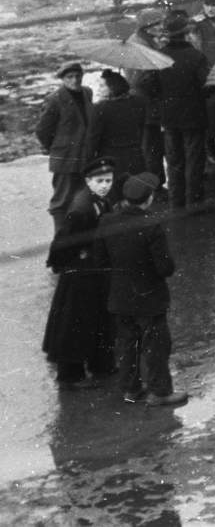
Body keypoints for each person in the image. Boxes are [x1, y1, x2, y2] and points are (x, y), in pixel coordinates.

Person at [99, 173, 187, 406]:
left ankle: (130, 390)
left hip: (120, 297)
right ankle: (160, 392)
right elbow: (165, 268)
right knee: (157, 345)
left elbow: (101, 260)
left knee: (128, 344)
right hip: (149, 298)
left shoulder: (107, 221)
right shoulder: (152, 225)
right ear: (148, 199)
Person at [43, 158, 118, 390]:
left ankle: (100, 364)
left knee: (96, 319)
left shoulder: (98, 200)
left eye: (108, 180)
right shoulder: (80, 208)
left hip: (93, 270)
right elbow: (63, 245)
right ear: (88, 181)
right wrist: (75, 261)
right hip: (80, 275)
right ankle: (71, 376)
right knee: (75, 324)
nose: (105, 185)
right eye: (100, 181)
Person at [156, 11, 212, 210]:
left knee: (173, 160)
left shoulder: (159, 56)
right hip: (193, 116)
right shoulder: (197, 56)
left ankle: (175, 202)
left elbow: (151, 88)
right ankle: (193, 202)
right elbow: (207, 87)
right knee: (194, 159)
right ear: (186, 34)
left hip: (169, 118)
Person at [36, 62, 94, 233]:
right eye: (69, 77)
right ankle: (61, 243)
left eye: (78, 76)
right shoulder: (54, 99)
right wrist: (56, 149)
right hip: (65, 158)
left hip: (86, 157)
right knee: (61, 201)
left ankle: (81, 239)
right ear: (62, 79)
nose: (74, 80)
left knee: (84, 198)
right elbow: (42, 131)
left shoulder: (87, 92)